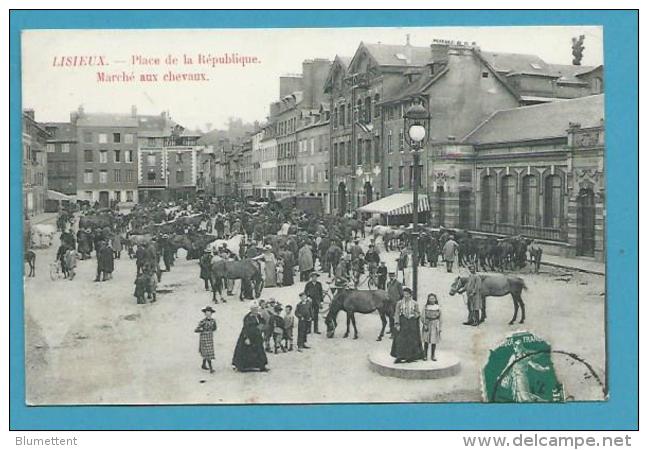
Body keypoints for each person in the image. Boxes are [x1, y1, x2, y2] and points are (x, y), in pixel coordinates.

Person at [232, 301, 269, 372]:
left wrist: (261, 327)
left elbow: (263, 322)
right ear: (251, 309)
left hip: (257, 336)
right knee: (246, 351)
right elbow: (245, 328)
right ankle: (242, 366)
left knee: (259, 350)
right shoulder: (247, 317)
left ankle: (261, 366)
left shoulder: (258, 316)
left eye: (256, 308)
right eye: (254, 309)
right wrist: (246, 338)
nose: (256, 310)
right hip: (249, 336)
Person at [390, 287, 424, 363]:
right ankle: (399, 356)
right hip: (402, 322)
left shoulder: (415, 303)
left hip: (411, 323)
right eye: (404, 294)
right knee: (400, 340)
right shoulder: (399, 303)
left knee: (411, 339)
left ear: (410, 295)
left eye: (407, 294)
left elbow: (418, 313)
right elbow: (397, 313)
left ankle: (410, 357)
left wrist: (414, 315)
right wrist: (397, 324)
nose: (405, 295)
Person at [195, 306, 218, 373]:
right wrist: (201, 329)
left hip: (210, 337)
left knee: (207, 352)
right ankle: (211, 368)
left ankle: (203, 364)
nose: (208, 313)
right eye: (207, 312)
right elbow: (196, 330)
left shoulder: (213, 321)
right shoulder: (202, 321)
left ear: (211, 313)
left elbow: (215, 328)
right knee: (207, 352)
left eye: (209, 312)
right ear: (205, 313)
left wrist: (210, 330)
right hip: (204, 338)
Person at [421, 294, 441, 361]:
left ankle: (433, 356)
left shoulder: (438, 307)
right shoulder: (426, 307)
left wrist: (439, 327)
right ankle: (425, 355)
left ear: (435, 299)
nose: (432, 300)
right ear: (428, 299)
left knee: (433, 341)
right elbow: (422, 316)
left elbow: (440, 318)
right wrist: (425, 324)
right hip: (427, 324)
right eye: (430, 298)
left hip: (435, 324)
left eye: (433, 298)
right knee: (426, 341)